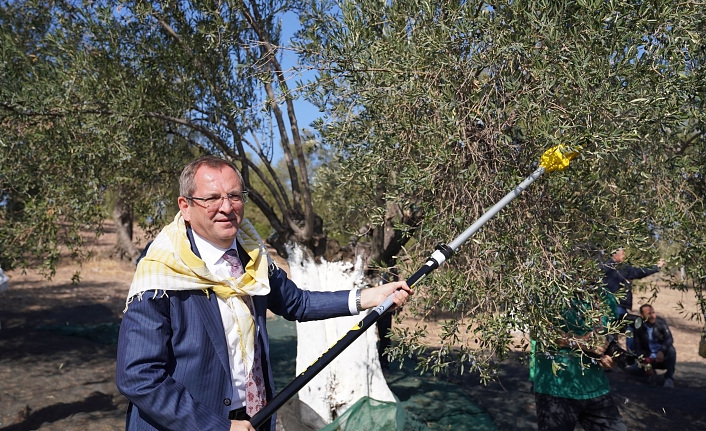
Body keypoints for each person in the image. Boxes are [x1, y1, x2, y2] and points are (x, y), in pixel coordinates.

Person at [116, 156, 412, 431]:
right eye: (212, 198)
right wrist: (218, 427)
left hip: (253, 419)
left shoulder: (252, 256)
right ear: (185, 206)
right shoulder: (161, 272)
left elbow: (299, 303)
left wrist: (370, 297)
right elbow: (138, 376)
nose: (227, 207)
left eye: (234, 196)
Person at [532, 291, 627, 431]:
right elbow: (539, 332)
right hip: (556, 391)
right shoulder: (551, 291)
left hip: (597, 390)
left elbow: (611, 336)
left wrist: (611, 359)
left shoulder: (606, 298)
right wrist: (581, 342)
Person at [599, 248, 665, 317]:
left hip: (605, 304)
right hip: (618, 305)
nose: (624, 256)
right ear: (615, 255)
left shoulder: (603, 266)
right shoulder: (622, 268)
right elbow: (639, 272)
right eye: (622, 254)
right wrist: (656, 267)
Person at [633, 304, 676, 388]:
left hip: (661, 357)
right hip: (648, 357)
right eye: (649, 313)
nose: (653, 316)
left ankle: (669, 378)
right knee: (631, 369)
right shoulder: (638, 327)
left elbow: (669, 339)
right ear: (642, 315)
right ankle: (650, 375)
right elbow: (637, 347)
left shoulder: (661, 323)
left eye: (653, 312)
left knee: (671, 350)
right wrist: (645, 363)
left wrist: (661, 351)